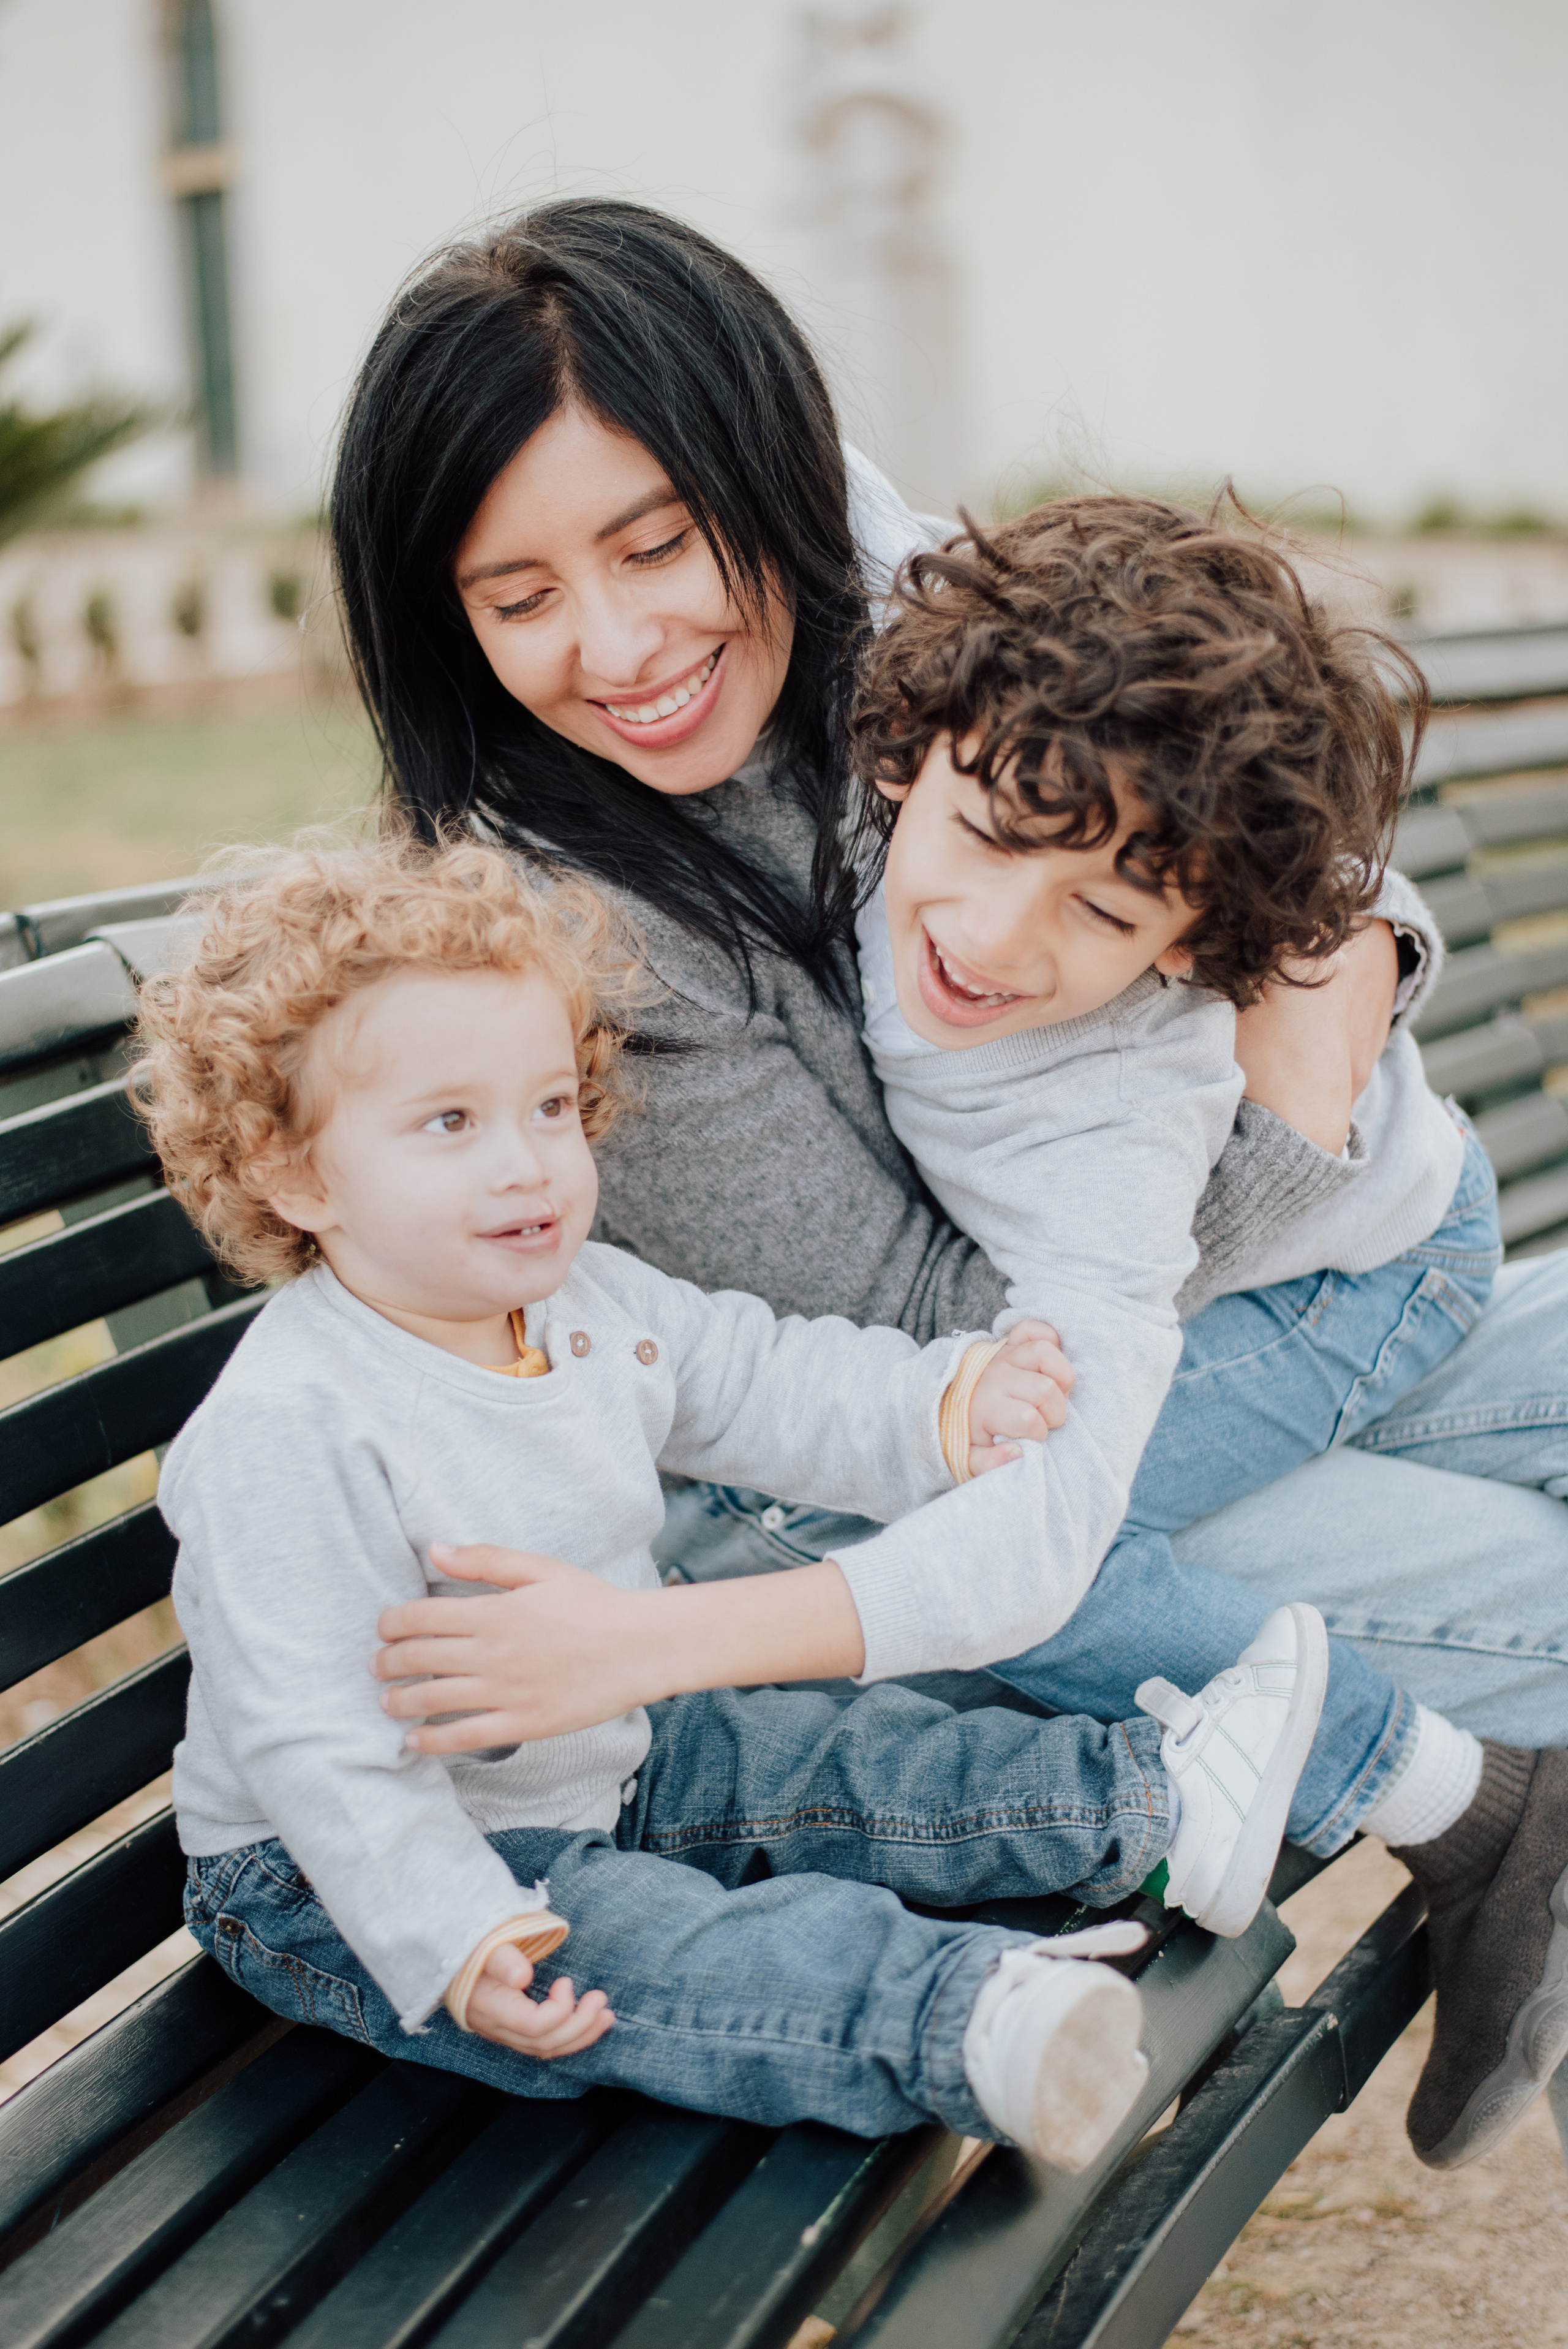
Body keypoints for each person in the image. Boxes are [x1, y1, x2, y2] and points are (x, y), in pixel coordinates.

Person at [324, 199, 1568, 2156]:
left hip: (1279, 1287)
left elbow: (1267, 820)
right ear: (445, 620)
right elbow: (944, 1354)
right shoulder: (568, 927)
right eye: (522, 594)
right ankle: (1488, 1812)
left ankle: (1484, 1824)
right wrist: (1284, 1092)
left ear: (774, 477)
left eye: (658, 543)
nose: (626, 644)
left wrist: (1352, 961)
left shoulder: (906, 594)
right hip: (1007, 1378)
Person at [140, 836, 1329, 2167]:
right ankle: (961, 2023)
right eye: (450, 1124)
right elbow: (314, 1745)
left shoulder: (580, 1306)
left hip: (602, 1750)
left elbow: (763, 1379)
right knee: (655, 1956)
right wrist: (455, 1928)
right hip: (350, 1879)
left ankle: (1151, 1808)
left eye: (547, 1106)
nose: (529, 1163)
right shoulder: (290, 1427)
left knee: (838, 1757)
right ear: (294, 1173)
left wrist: (944, 1407)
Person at [848, 493, 1568, 2167]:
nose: (997, 936)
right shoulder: (967, 722)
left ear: (1191, 944)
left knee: (1016, 1551)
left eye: (1107, 914)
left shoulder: (1131, 1113)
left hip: (1345, 1268)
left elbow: (1046, 1491)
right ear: (906, 751)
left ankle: (1484, 1811)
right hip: (1305, 1245)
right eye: (994, 832)